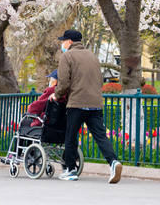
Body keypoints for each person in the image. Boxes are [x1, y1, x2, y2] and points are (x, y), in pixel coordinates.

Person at [49, 29, 122, 183]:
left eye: (63, 41)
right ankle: (113, 162)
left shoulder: (66, 56)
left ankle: (71, 170)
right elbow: (100, 81)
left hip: (77, 103)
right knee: (100, 135)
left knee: (71, 137)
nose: (62, 44)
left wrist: (56, 94)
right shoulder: (93, 56)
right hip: (95, 103)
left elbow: (64, 82)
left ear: (69, 42)